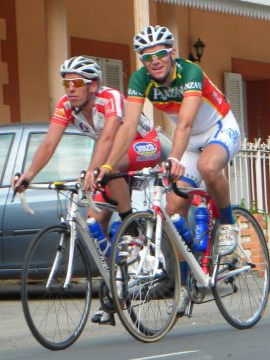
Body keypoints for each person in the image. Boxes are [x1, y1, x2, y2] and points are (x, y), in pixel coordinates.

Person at [96, 25, 241, 314]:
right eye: (147, 58)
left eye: (160, 54)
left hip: (218, 128)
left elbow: (185, 123)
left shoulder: (190, 73)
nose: (155, 61)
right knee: (174, 212)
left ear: (172, 53)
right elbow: (128, 126)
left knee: (208, 166)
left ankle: (227, 224)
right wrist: (109, 164)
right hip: (188, 142)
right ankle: (188, 285)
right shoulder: (140, 80)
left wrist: (173, 159)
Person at [13, 56, 163, 324]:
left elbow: (108, 137)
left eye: (77, 83)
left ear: (93, 86)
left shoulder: (111, 98)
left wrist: (95, 170)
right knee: (96, 223)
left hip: (144, 145)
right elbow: (50, 141)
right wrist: (29, 174)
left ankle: (130, 226)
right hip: (109, 153)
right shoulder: (66, 106)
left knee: (108, 166)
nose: (70, 89)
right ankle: (114, 288)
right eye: (66, 83)